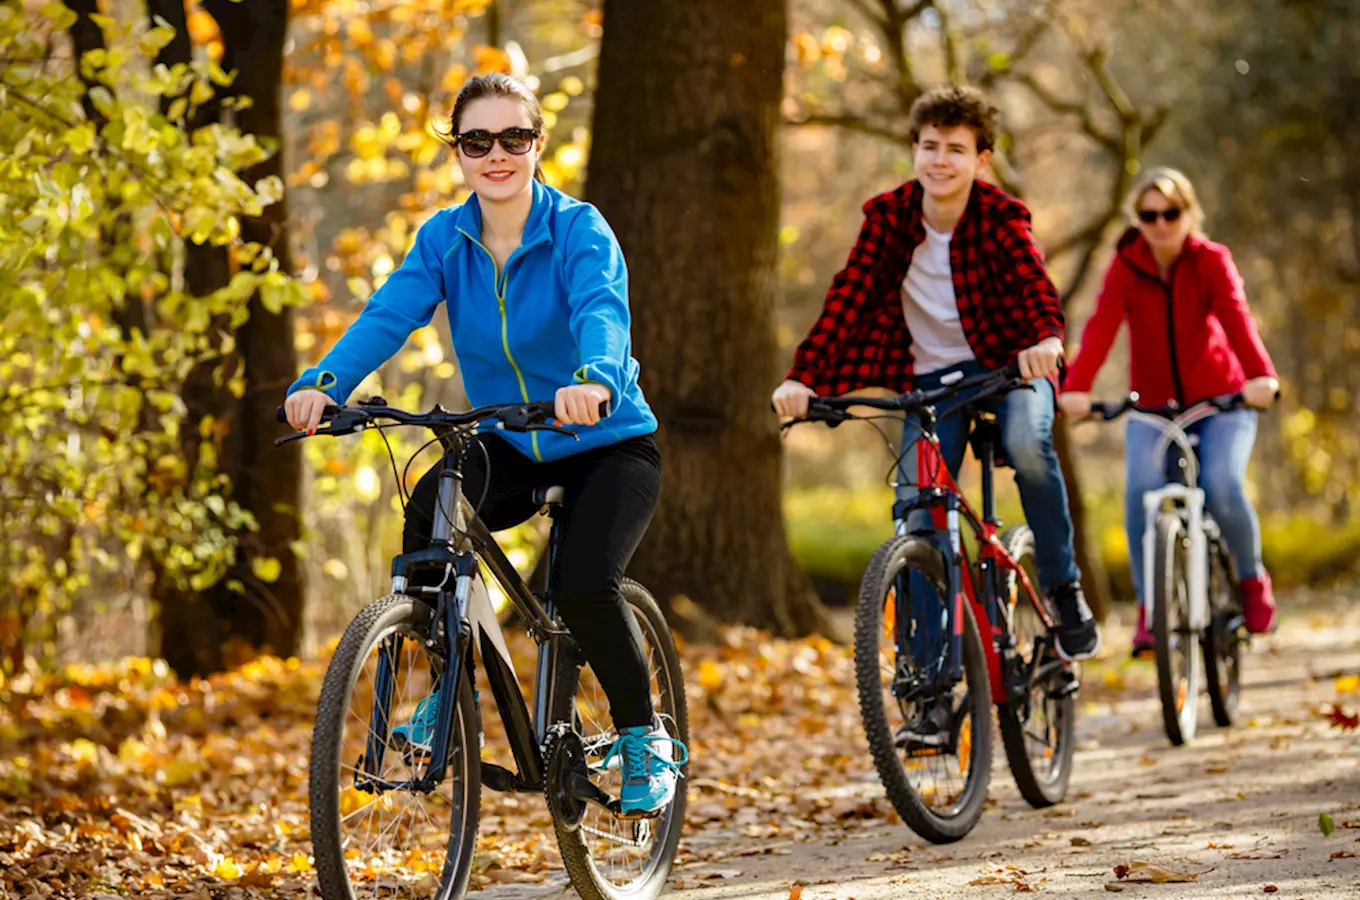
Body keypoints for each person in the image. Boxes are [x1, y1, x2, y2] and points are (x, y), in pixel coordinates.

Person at [283, 73, 684, 815]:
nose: (495, 155)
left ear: (537, 146)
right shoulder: (444, 237)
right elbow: (388, 314)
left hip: (605, 439)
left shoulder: (579, 229)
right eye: (477, 141)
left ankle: (642, 738)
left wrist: (594, 378)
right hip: (509, 439)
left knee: (586, 583)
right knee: (430, 516)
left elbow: (602, 308)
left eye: (513, 139)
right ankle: (448, 692)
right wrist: (326, 382)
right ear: (458, 152)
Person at [771, 85, 1101, 664]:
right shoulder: (889, 217)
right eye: (929, 146)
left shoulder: (1001, 217)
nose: (940, 160)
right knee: (918, 509)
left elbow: (1036, 291)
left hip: (1010, 367)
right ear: (915, 152)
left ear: (981, 160)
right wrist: (803, 377)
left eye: (955, 148)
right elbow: (847, 299)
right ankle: (926, 676)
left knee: (1027, 441)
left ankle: (1063, 585)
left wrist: (1046, 341)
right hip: (931, 379)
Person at [1058, 167, 1279, 657]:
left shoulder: (1210, 261)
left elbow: (1236, 319)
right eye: (1148, 215)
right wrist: (1076, 389)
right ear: (1137, 219)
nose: (1160, 224)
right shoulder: (1126, 266)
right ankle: (1150, 610)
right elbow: (1100, 328)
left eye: (1170, 213)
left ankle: (1249, 578)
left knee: (1222, 485)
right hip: (1153, 409)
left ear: (1189, 213)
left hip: (1222, 403)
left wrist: (1260, 377)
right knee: (1140, 492)